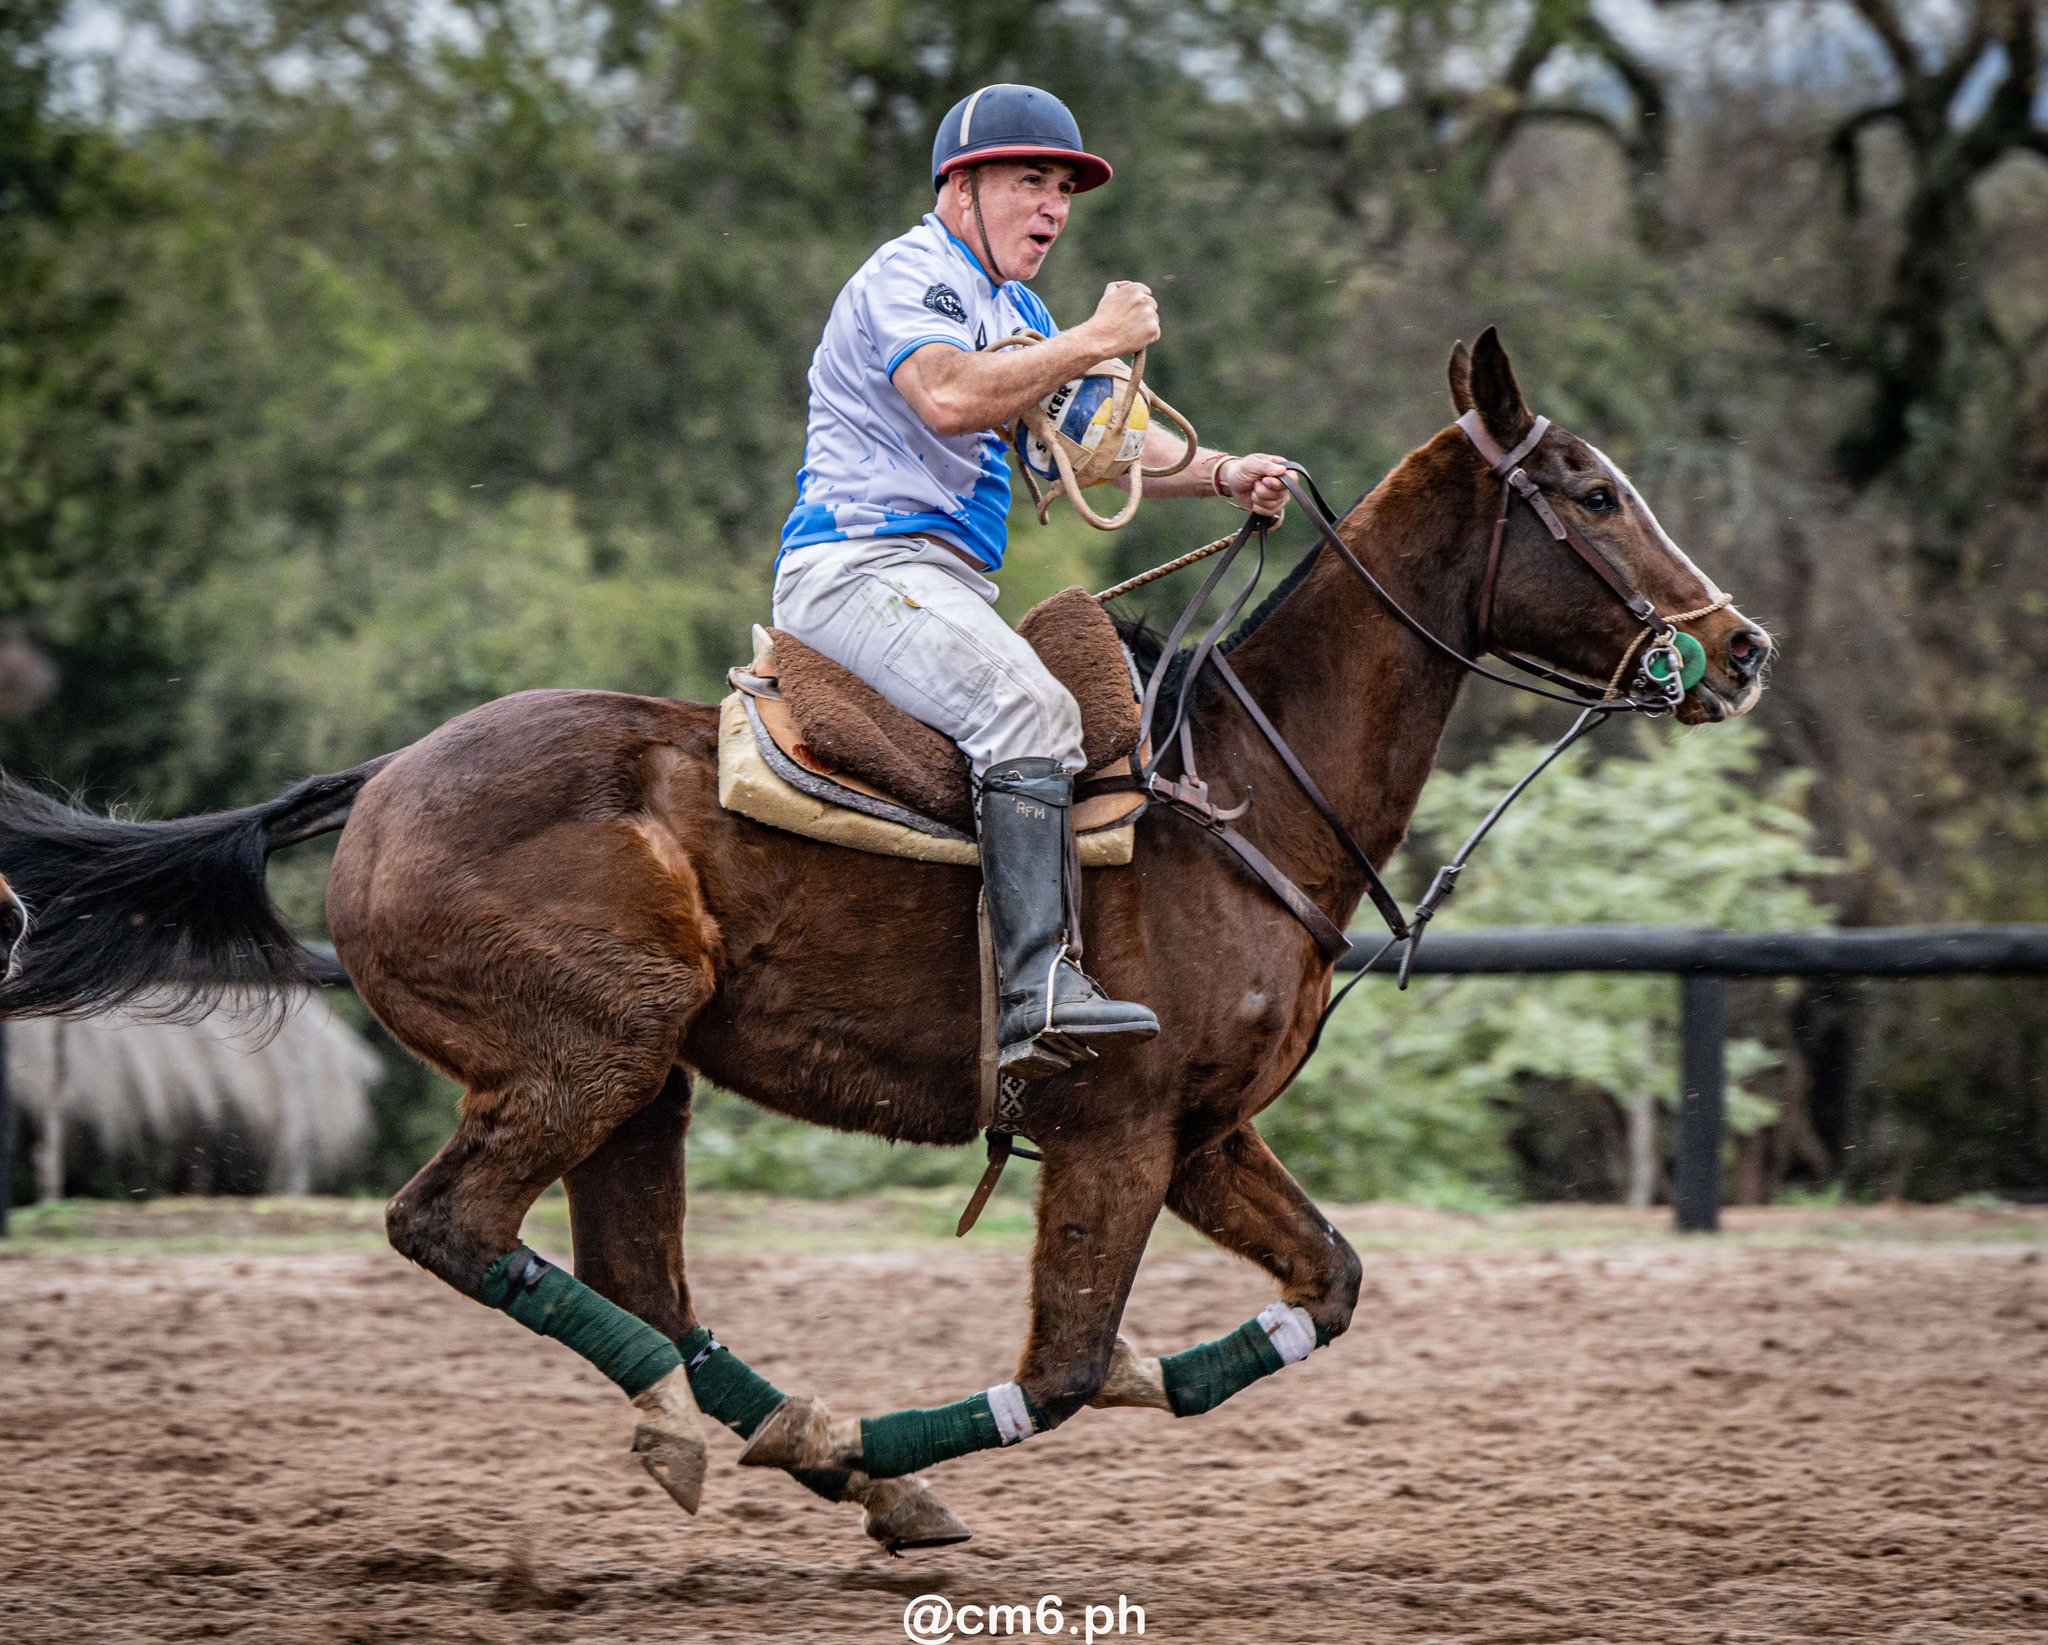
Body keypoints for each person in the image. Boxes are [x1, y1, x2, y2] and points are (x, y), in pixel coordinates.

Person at [773, 83, 1294, 1080]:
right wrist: (1097, 338)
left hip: (935, 582)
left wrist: (1223, 471)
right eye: (1029, 182)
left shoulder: (1015, 310)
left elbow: (1096, 448)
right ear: (961, 185)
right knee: (1030, 712)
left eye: (1063, 189)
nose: (1053, 208)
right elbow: (945, 394)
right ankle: (1036, 994)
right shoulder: (910, 274)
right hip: (854, 568)